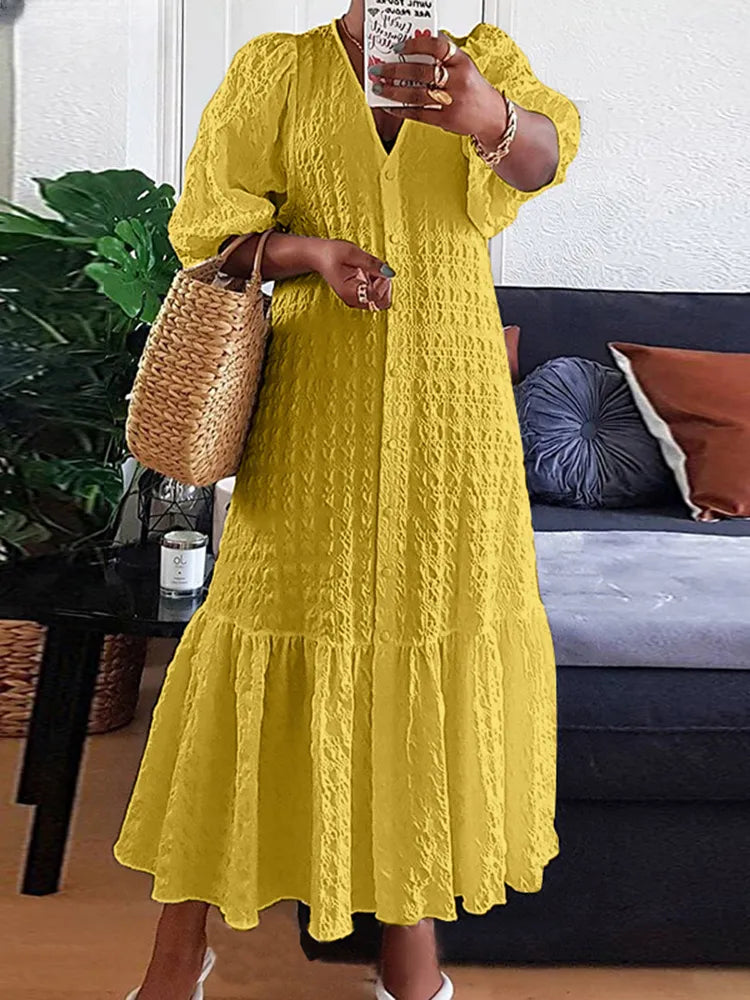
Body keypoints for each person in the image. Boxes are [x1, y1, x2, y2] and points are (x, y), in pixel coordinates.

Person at [113, 3, 580, 998]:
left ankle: (410, 944)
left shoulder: (484, 59)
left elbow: (543, 159)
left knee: (428, 637)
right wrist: (312, 253)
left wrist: (487, 116)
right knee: (253, 641)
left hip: (455, 426)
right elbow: (209, 232)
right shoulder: (277, 68)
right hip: (311, 410)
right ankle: (178, 944)